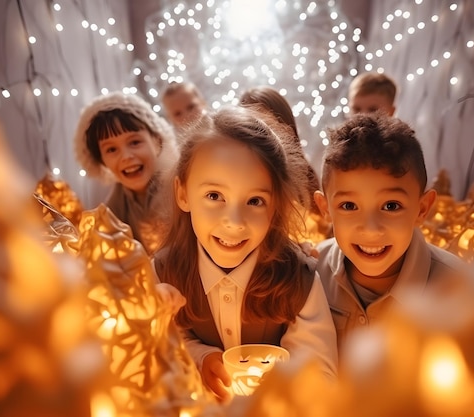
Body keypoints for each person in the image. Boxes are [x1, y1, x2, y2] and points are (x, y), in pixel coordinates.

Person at [153, 106, 339, 401]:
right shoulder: (163, 272)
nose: (234, 221)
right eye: (214, 196)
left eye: (254, 201)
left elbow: (320, 370)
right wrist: (200, 357)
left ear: (275, 204)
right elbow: (161, 344)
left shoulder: (298, 278)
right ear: (183, 194)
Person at [313, 112, 464, 354]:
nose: (371, 229)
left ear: (422, 208)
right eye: (349, 206)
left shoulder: (458, 291)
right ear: (325, 209)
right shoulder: (309, 272)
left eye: (391, 206)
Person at [73, 91, 178, 256]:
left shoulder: (177, 187)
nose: (126, 157)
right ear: (101, 160)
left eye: (135, 142)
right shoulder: (114, 209)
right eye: (111, 149)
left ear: (157, 141)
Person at [239, 86, 332, 245]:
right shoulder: (237, 174)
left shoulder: (302, 176)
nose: (263, 137)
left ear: (286, 127)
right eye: (253, 127)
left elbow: (319, 231)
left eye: (270, 125)